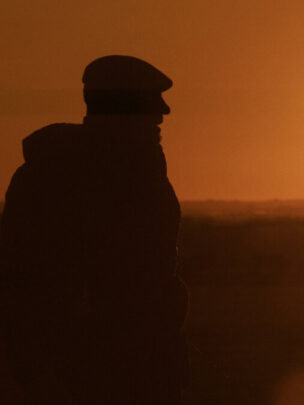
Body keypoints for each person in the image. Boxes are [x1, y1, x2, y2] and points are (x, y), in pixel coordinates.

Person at [0, 55, 188, 404]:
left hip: (142, 377)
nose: (164, 112)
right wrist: (42, 380)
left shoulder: (144, 177)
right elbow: (27, 293)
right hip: (88, 383)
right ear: (122, 107)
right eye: (151, 102)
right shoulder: (53, 181)